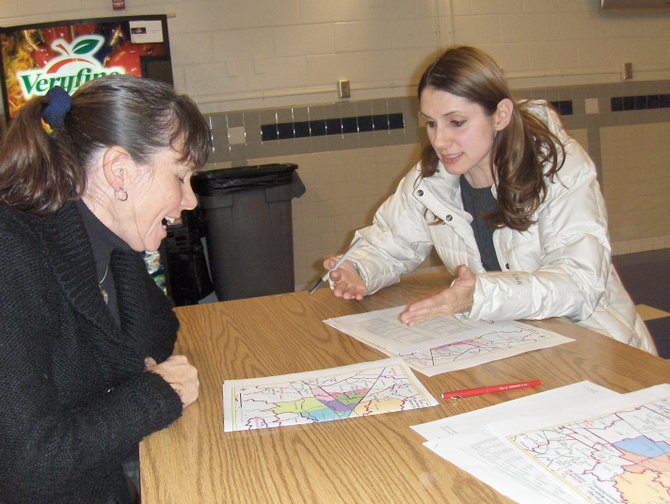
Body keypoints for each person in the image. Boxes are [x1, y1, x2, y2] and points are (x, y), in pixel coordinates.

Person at [323, 46, 656, 355]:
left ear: (500, 115)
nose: (440, 140)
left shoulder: (559, 167)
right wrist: (361, 268)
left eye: (457, 122)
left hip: (597, 346)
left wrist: (479, 295)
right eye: (431, 123)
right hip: (516, 344)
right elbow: (392, 242)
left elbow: (579, 285)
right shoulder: (431, 180)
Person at [0, 75, 210, 503]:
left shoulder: (110, 240)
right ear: (119, 170)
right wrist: (155, 393)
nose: (191, 201)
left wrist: (113, 396)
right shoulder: (12, 257)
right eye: (181, 177)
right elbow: (30, 468)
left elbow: (160, 327)